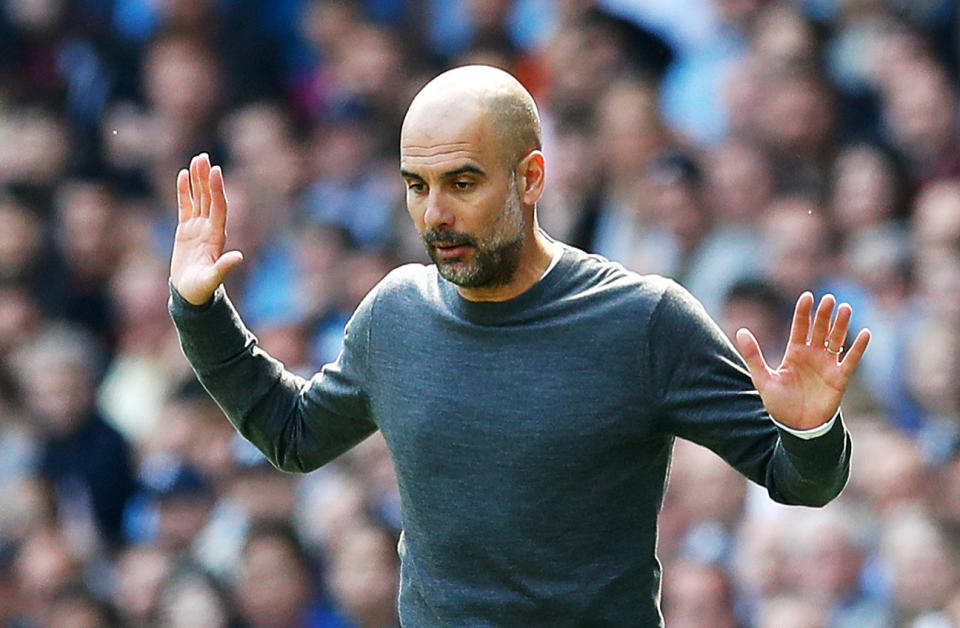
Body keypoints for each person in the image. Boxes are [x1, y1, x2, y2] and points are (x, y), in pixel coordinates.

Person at [168, 65, 870, 626]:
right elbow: (293, 435)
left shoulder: (645, 320)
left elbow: (800, 481)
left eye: (462, 182)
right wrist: (200, 310)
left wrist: (807, 428)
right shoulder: (395, 315)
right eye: (417, 186)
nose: (435, 214)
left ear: (531, 177)